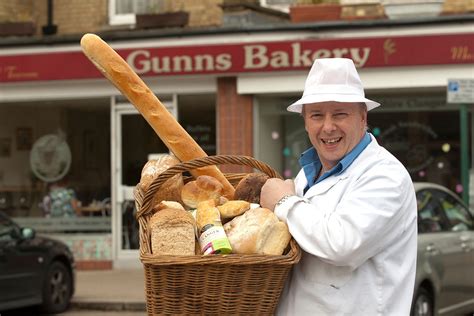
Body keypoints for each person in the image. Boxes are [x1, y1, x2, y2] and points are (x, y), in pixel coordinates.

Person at [260, 58, 417, 315]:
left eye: (340, 114)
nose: (328, 126)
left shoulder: (386, 176)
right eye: (317, 115)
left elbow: (343, 244)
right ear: (305, 121)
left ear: (362, 117)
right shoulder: (306, 174)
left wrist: (284, 202)